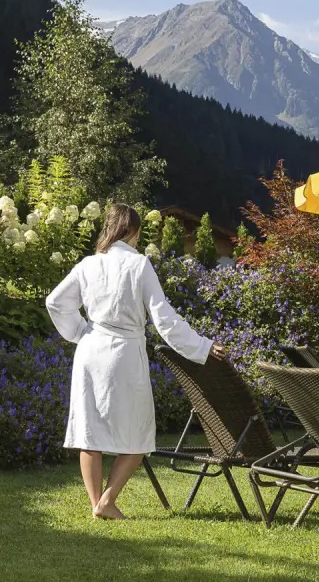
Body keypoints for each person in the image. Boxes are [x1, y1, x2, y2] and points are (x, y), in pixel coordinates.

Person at [46, 204, 221, 520]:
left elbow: (55, 302)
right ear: (135, 232)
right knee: (140, 433)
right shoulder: (139, 265)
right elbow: (164, 319)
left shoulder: (88, 265)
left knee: (89, 430)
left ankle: (98, 504)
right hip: (123, 353)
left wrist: (81, 331)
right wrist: (203, 347)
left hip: (89, 350)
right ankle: (106, 502)